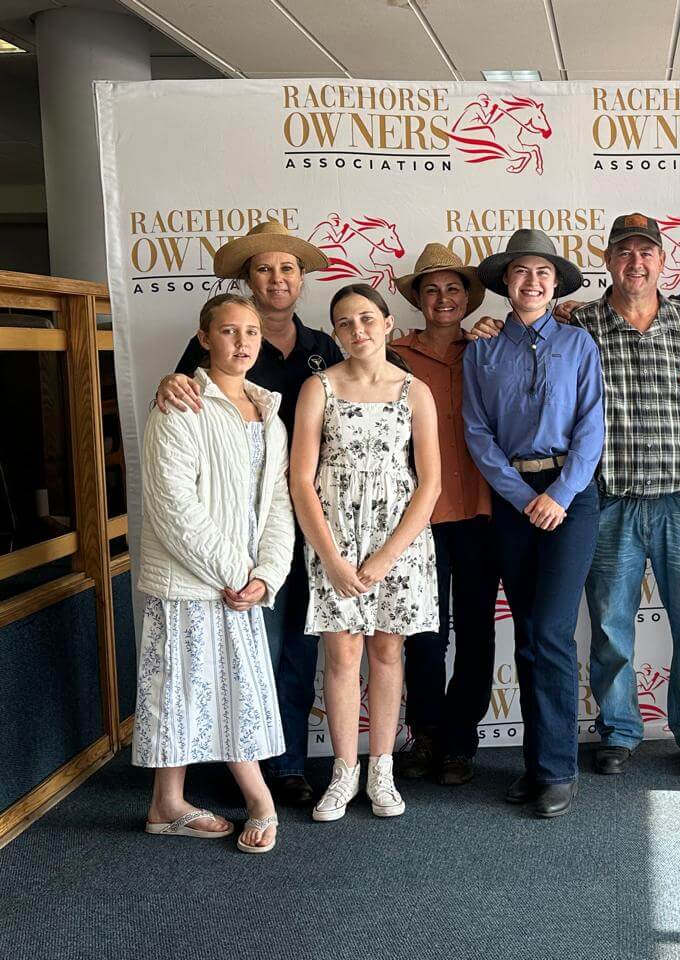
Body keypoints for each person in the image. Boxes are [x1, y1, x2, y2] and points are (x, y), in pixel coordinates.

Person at [471, 214, 680, 779]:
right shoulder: (580, 322)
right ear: (607, 262)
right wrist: (487, 327)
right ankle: (620, 729)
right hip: (608, 494)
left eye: (647, 252)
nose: (636, 262)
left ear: (663, 261)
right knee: (610, 623)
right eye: (624, 252)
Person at [154, 220, 343, 808]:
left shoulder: (324, 346)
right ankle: (244, 771)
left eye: (287, 268)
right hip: (231, 540)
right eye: (264, 269)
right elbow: (183, 391)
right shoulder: (214, 343)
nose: (277, 279)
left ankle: (287, 765)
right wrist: (167, 382)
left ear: (301, 279)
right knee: (247, 647)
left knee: (296, 649)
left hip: (306, 521)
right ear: (247, 279)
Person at [134, 293, 295, 854]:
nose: (242, 342)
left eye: (251, 331)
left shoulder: (269, 414)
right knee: (179, 689)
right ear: (205, 339)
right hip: (193, 579)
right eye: (228, 331)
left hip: (242, 586)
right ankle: (251, 802)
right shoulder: (180, 404)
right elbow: (171, 504)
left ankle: (170, 805)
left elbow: (277, 505)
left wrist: (266, 575)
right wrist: (236, 571)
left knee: (225, 689)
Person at [463, 228, 605, 818]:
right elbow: (478, 433)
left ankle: (556, 769)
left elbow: (592, 425)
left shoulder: (579, 343)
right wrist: (524, 497)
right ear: (506, 281)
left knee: (549, 631)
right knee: (526, 633)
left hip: (571, 498)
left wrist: (561, 493)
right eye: (522, 271)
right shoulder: (481, 349)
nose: (532, 281)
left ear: (555, 284)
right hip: (514, 499)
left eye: (543, 272)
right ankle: (537, 761)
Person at [291, 284, 442, 822]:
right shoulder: (319, 388)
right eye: (345, 322)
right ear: (335, 332)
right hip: (334, 539)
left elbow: (430, 484)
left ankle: (382, 768)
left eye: (366, 319)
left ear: (386, 322)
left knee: (387, 654)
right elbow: (301, 480)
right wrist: (331, 558)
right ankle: (343, 770)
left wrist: (386, 558)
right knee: (341, 656)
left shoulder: (414, 391)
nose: (357, 330)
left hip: (397, 542)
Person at [389, 245, 500, 786]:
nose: (443, 298)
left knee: (477, 630)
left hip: (481, 511)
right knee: (424, 634)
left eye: (453, 289)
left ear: (468, 298)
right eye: (431, 290)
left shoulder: (490, 346)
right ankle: (426, 733)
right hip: (419, 517)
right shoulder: (392, 355)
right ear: (417, 300)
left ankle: (460, 742)